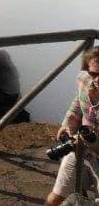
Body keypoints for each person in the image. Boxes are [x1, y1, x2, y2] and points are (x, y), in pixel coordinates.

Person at [46, 47, 99, 205]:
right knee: (56, 197)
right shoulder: (85, 79)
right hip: (81, 149)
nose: (97, 80)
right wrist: (68, 123)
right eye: (94, 73)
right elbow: (78, 101)